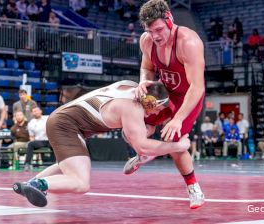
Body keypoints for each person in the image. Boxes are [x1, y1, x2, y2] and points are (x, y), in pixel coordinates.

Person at [13, 81, 192, 208]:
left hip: (65, 121)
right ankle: (39, 185)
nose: (158, 112)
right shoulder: (132, 108)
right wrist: (178, 146)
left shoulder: (129, 85)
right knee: (81, 183)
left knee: (69, 165)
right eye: (159, 107)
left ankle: (30, 183)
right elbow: (142, 146)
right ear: (150, 101)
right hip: (66, 125)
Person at [121, 0, 205, 209]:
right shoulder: (146, 41)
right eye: (150, 31)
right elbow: (147, 68)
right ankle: (145, 152)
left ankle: (194, 187)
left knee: (174, 141)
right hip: (164, 92)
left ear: (169, 19)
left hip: (188, 96)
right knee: (128, 124)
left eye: (158, 29)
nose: (155, 36)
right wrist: (143, 81)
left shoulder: (189, 42)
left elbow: (197, 87)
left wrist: (177, 119)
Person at [24, 107, 50, 171]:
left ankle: (56, 163)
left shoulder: (47, 118)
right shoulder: (31, 123)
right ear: (32, 113)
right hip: (40, 141)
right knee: (30, 144)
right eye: (34, 111)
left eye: (37, 111)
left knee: (56, 144)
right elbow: (32, 136)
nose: (36, 112)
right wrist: (32, 142)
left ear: (40, 111)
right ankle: (27, 164)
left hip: (50, 139)